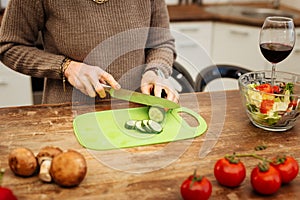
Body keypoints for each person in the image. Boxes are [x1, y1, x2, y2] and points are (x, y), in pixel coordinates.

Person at [0, 0, 178, 104]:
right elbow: (9, 46)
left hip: (136, 110)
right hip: (66, 116)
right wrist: (66, 67)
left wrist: (156, 71)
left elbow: (161, 42)